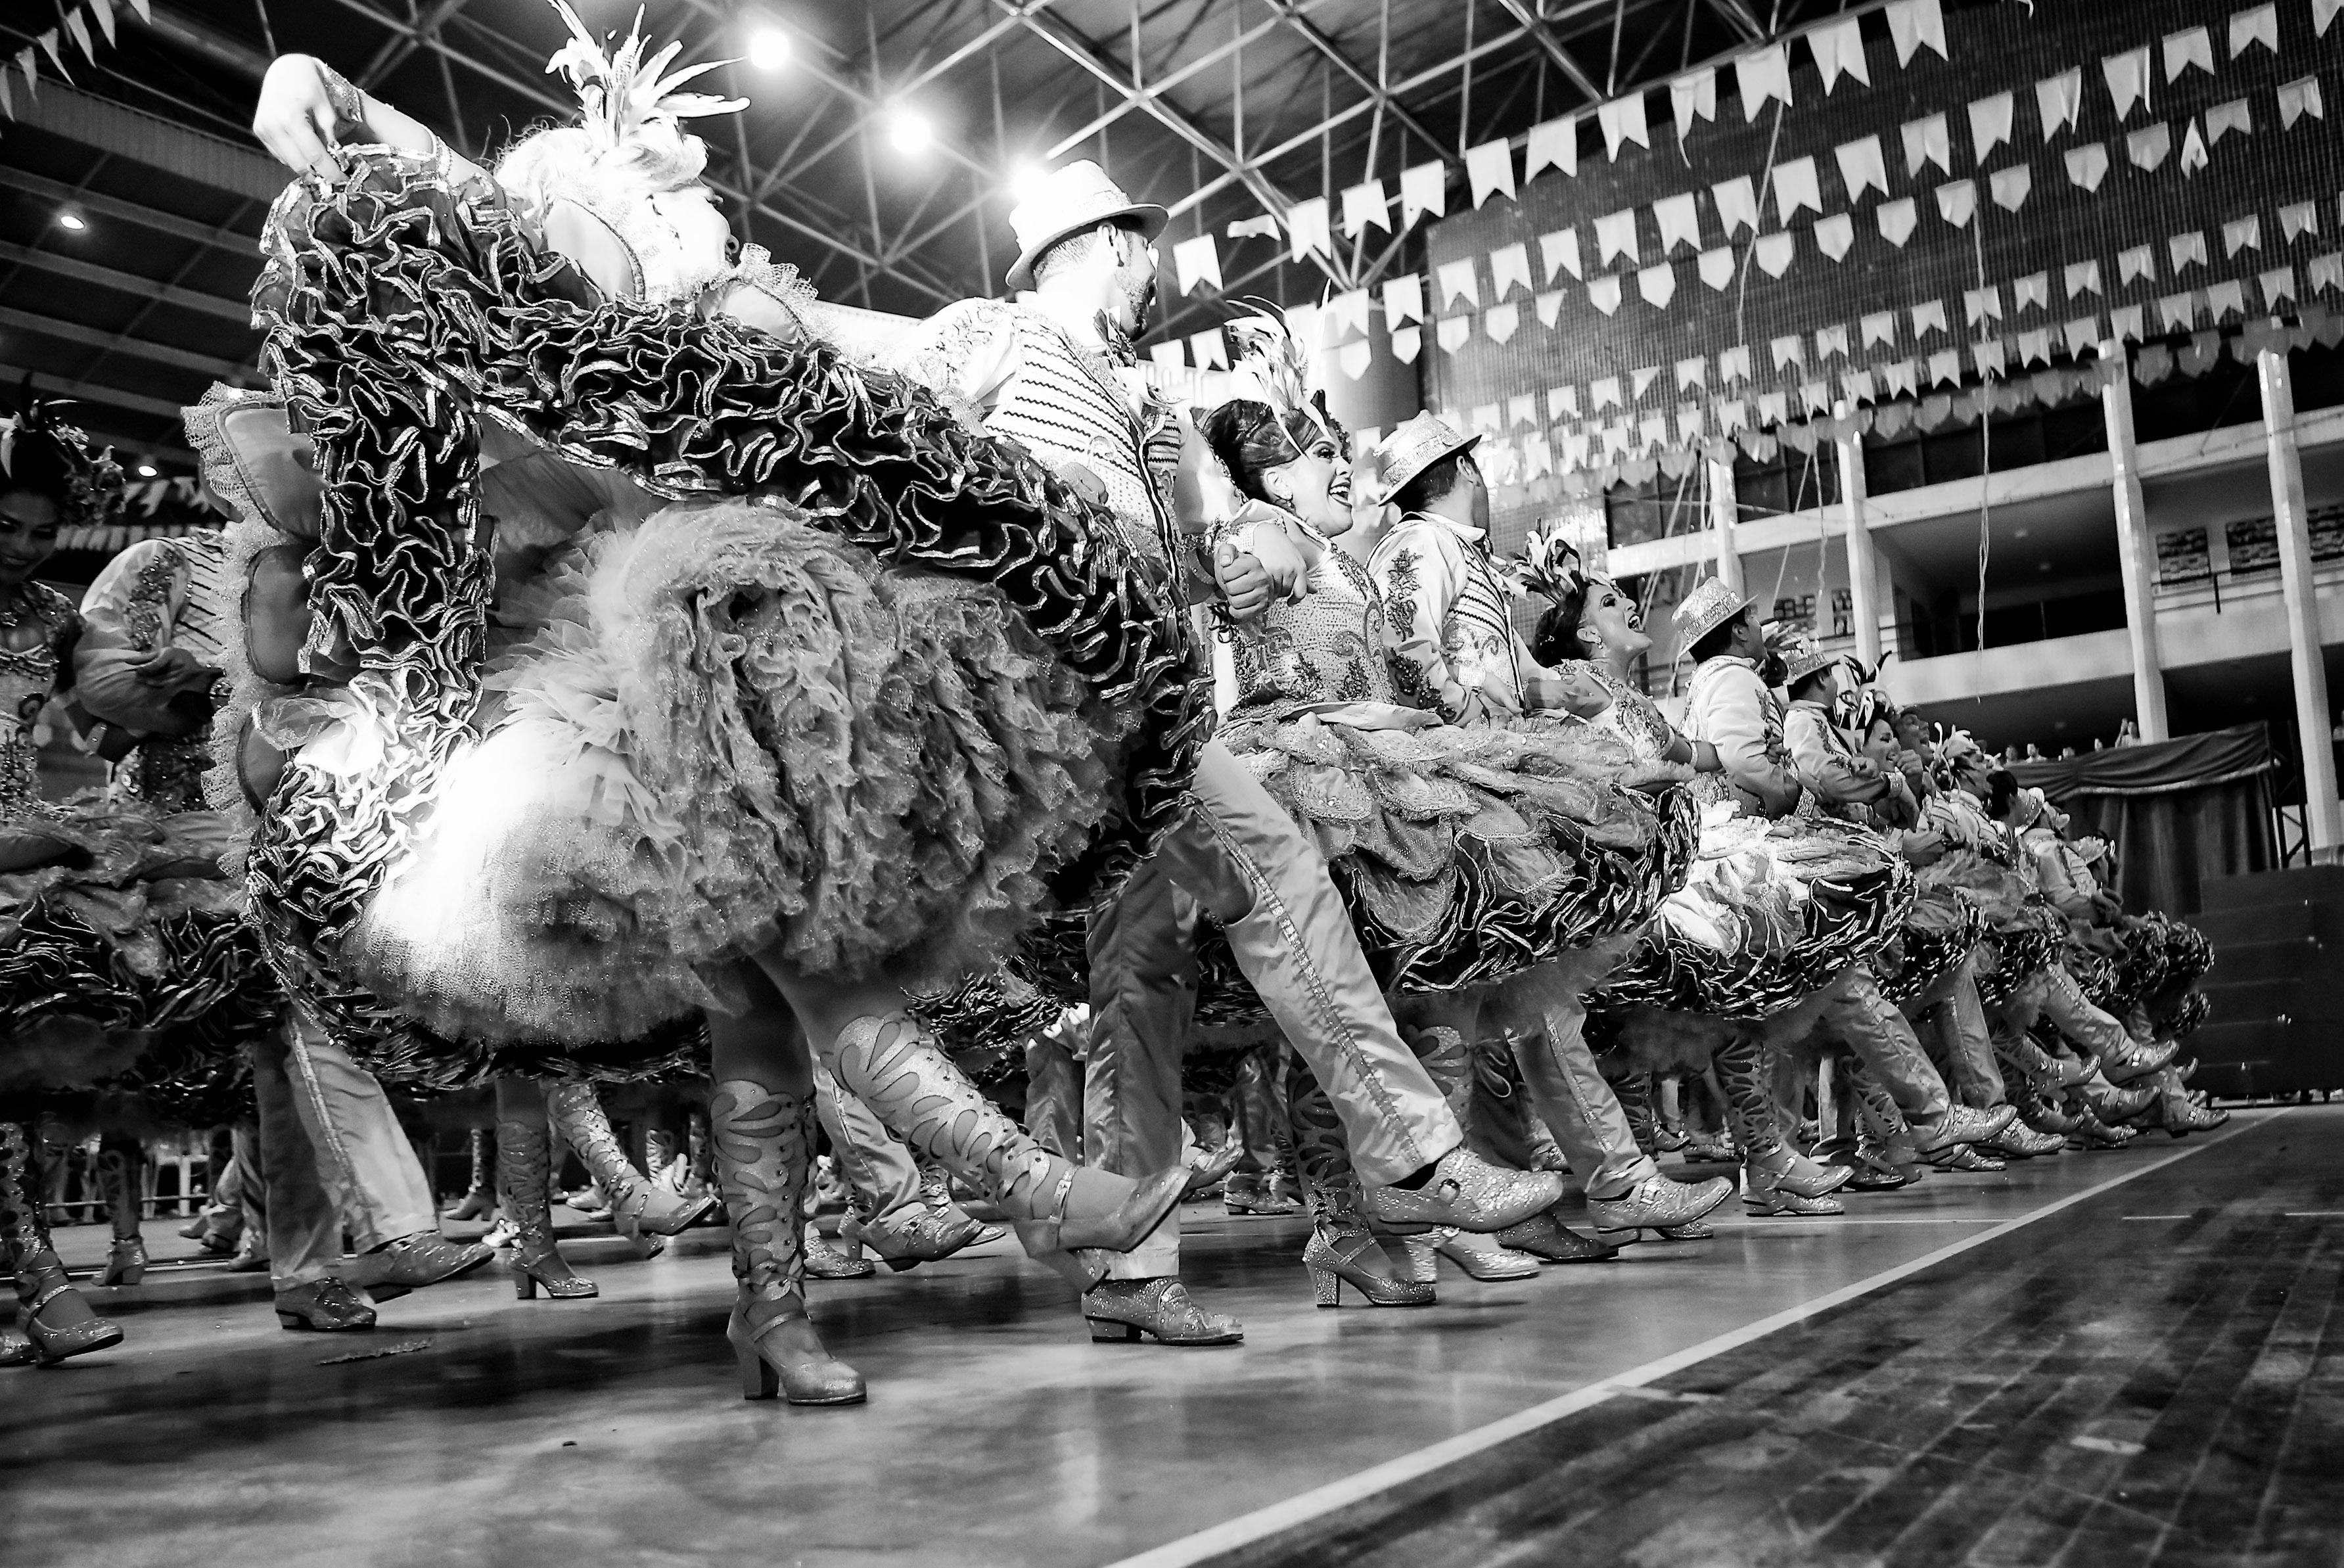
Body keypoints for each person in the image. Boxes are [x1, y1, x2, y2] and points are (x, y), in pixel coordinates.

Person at [242, 21, 1238, 1398]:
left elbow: (854, 350)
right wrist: (332, 87)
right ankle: (1033, 1188)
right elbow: (454, 211)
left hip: (753, 657)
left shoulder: (723, 294)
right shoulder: (567, 254)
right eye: (641, 167)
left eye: (669, 173)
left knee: (758, 1019)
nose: (672, 181)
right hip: (646, 669)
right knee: (811, 973)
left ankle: (772, 1316)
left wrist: (980, 381)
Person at [894, 165, 1563, 1346]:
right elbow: (898, 453)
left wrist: (1229, 567)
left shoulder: (1147, 394)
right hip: (1054, 689)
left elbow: (1197, 556)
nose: (1154, 267)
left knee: (1141, 974)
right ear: (1099, 243)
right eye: (1141, 246)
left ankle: (1128, 1265)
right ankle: (1411, 1153)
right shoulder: (990, 336)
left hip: (1140, 700)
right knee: (1272, 872)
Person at [1195, 379, 1726, 1289]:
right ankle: (1357, 1220)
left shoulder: (1337, 554)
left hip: (1371, 761)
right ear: (1278, 480)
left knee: (1420, 994)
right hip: (1312, 777)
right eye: (1322, 452)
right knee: (1365, 1004)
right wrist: (1242, 560)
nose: (1342, 465)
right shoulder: (1257, 537)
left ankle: (1405, 1222)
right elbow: (1236, 589)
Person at [1665, 579, 2015, 1166]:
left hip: (1749, 858)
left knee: (1793, 1006)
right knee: (1829, 990)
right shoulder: (1732, 679)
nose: (1758, 625)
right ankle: (1912, 1121)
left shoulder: (1718, 681)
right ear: (1731, 631)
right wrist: (1790, 793)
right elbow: (1743, 760)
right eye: (1749, 618)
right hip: (1755, 858)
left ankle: (1791, 1160)